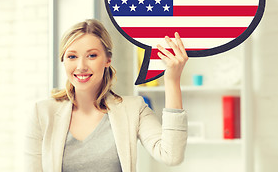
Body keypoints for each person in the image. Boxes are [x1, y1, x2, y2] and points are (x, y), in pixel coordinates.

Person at [24, 19, 188, 172]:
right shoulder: (42, 112)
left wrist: (172, 80)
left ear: (108, 59)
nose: (81, 66)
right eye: (72, 56)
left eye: (92, 55)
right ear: (63, 60)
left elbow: (171, 155)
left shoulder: (134, 109)